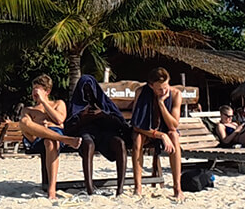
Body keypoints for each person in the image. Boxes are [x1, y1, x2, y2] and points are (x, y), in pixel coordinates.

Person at [65, 75, 134, 197]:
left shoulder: (103, 102)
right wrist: (83, 119)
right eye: (85, 91)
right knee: (88, 144)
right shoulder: (75, 105)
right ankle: (89, 188)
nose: (88, 95)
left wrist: (103, 114)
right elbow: (69, 128)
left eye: (90, 91)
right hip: (86, 132)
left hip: (105, 133)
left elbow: (120, 122)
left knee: (119, 143)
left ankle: (120, 189)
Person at [18, 75, 80, 199]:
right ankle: (65, 139)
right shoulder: (28, 109)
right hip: (36, 138)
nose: (34, 93)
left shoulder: (58, 104)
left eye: (37, 90)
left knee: (51, 142)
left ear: (47, 91)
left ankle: (52, 189)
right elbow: (26, 125)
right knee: (23, 121)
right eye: (33, 89)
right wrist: (40, 126)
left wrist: (44, 102)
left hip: (54, 137)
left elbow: (59, 119)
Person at [129, 67, 184, 200]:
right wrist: (161, 135)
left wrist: (161, 103)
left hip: (166, 130)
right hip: (147, 131)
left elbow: (173, 125)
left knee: (174, 136)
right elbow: (137, 125)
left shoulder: (175, 94)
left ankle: (177, 188)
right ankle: (138, 187)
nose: (163, 91)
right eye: (159, 89)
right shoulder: (141, 92)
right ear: (151, 86)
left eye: (166, 87)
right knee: (137, 138)